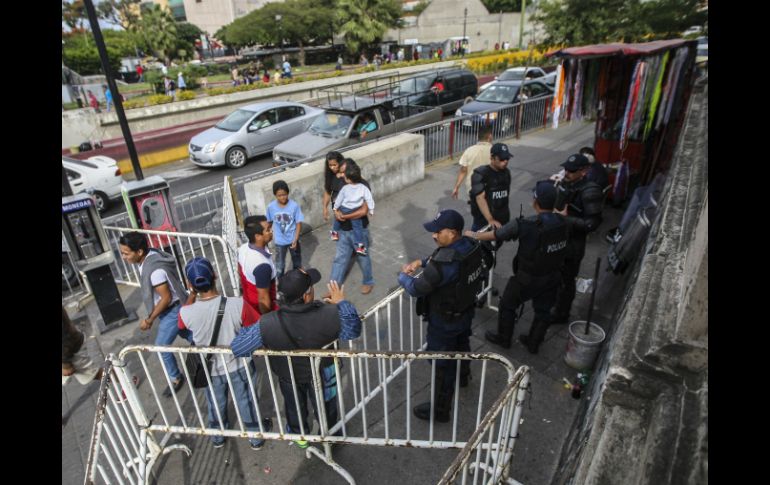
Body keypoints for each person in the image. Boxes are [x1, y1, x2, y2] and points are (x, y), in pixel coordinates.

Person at [231, 270, 362, 447]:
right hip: (324, 373)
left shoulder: (268, 323)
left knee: (294, 409)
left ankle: (300, 437)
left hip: (288, 375)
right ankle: (330, 437)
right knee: (327, 407)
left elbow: (238, 347)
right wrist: (342, 303)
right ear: (307, 294)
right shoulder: (331, 314)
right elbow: (353, 329)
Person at [398, 209, 486, 422]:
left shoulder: (442, 265)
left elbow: (417, 288)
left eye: (439, 231)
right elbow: (444, 257)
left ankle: (440, 410)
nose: (434, 235)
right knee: (462, 345)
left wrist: (402, 277)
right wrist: (421, 262)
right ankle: (463, 376)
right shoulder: (470, 245)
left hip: (444, 322)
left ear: (453, 233)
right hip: (465, 311)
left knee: (441, 363)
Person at [178, 257, 273, 449]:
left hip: (210, 368)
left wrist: (190, 295)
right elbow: (255, 327)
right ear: (214, 276)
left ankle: (218, 436)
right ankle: (255, 437)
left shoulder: (185, 313)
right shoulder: (238, 304)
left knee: (215, 401)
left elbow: (183, 331)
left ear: (190, 284)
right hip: (239, 365)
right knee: (246, 400)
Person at [466, 180, 569, 353]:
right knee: (543, 311)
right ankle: (533, 343)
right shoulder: (564, 221)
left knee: (507, 305)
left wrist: (474, 234)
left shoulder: (525, 224)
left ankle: (504, 338)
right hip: (553, 276)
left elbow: (497, 234)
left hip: (527, 277)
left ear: (535, 202)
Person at [118, 232, 193, 397]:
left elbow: (165, 298)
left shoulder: (154, 271)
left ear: (139, 252)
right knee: (187, 332)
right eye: (122, 253)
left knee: (161, 347)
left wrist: (149, 319)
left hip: (173, 309)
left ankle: (176, 378)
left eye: (126, 253)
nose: (123, 257)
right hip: (176, 306)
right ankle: (211, 348)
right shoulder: (151, 254)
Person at [550, 154, 604, 325]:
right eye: (566, 168)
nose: (567, 172)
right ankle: (554, 304)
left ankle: (561, 314)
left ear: (584, 171)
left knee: (567, 281)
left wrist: (566, 219)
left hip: (573, 243)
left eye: (572, 170)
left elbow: (592, 224)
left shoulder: (590, 191)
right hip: (558, 238)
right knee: (555, 276)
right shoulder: (567, 182)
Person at [329, 158, 375, 295]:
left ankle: (368, 281)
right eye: (341, 172)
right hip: (343, 230)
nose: (341, 175)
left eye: (344, 172)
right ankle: (334, 288)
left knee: (362, 257)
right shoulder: (342, 183)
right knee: (339, 259)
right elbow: (335, 200)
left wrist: (343, 216)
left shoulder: (363, 185)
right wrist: (335, 211)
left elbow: (362, 211)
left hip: (358, 230)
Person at [238, 215, 279, 317]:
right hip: (263, 313)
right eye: (268, 230)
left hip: (249, 303)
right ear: (258, 236)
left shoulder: (243, 248)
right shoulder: (262, 265)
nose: (271, 231)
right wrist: (270, 321)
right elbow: (263, 299)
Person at [332, 163, 375, 255]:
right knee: (358, 228)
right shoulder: (363, 188)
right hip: (355, 210)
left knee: (337, 220)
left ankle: (334, 232)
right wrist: (371, 209)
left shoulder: (344, 188)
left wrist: (335, 209)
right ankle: (360, 246)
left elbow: (339, 199)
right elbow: (369, 198)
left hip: (344, 208)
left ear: (348, 179)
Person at [469, 142, 513, 231]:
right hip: (484, 223)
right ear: (492, 157)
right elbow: (480, 198)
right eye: (501, 159)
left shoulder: (506, 173)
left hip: (501, 221)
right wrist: (490, 220)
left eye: (507, 158)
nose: (505, 161)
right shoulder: (480, 174)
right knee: (476, 243)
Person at [267, 180, 304, 277]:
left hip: (293, 240)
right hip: (279, 242)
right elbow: (269, 222)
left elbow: (298, 223)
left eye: (284, 194)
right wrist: (267, 237)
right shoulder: (271, 207)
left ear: (288, 193)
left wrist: (295, 240)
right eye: (279, 195)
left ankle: (297, 281)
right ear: (275, 195)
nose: (282, 197)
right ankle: (280, 285)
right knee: (280, 266)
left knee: (297, 263)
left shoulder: (294, 206)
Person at [62, 306, 103, 386]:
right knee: (96, 373)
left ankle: (127, 380)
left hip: (70, 350)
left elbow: (63, 339)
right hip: (69, 347)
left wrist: (65, 364)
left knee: (96, 373)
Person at [451, 125, 493, 199]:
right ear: (490, 136)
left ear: (477, 136)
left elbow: (463, 171)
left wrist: (456, 187)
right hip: (489, 189)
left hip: (472, 188)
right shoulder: (494, 151)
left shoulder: (469, 150)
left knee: (474, 209)